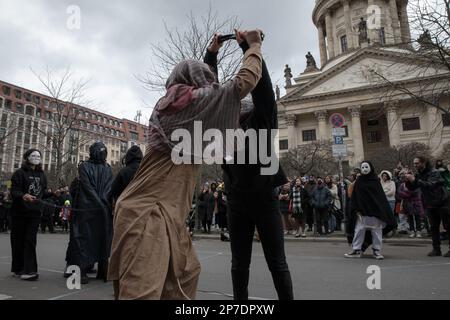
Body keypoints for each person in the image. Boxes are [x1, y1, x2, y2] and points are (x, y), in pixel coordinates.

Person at [108, 29, 266, 300]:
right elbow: (243, 84)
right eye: (204, 79)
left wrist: (211, 54)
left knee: (184, 279)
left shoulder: (177, 106)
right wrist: (254, 46)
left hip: (167, 216)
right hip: (148, 217)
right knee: (142, 293)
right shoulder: (185, 105)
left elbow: (228, 105)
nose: (209, 84)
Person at [69, 142, 113, 283]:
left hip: (98, 208)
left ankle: (103, 270)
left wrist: (102, 202)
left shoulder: (107, 168)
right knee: (84, 239)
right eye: (100, 151)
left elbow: (108, 186)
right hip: (88, 209)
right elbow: (88, 187)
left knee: (102, 238)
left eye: (104, 151)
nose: (102, 154)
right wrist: (101, 202)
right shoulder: (85, 166)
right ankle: (80, 271)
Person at [10, 149, 50, 281]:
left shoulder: (42, 174)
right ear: (27, 157)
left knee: (30, 240)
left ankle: (29, 270)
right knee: (18, 241)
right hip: (19, 213)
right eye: (33, 155)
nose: (36, 157)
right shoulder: (19, 173)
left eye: (38, 156)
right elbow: (14, 191)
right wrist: (23, 195)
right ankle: (18, 268)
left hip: (34, 213)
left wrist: (54, 194)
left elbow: (42, 193)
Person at [345, 161, 397, 260]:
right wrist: (356, 209)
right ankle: (356, 249)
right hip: (362, 212)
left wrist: (380, 210)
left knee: (376, 232)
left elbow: (379, 197)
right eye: (362, 167)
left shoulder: (375, 181)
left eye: (366, 166)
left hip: (375, 212)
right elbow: (355, 195)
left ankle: (376, 250)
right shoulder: (359, 180)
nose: (364, 169)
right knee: (359, 230)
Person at [405, 157, 450, 257]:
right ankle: (436, 249)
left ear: (423, 163)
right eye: (414, 163)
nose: (415, 165)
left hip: (443, 202)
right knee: (433, 227)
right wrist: (408, 180)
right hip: (430, 204)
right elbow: (412, 188)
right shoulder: (419, 174)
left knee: (448, 226)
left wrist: (415, 180)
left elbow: (431, 185)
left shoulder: (434, 172)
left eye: (417, 163)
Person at [397, 170, 425, 238]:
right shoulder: (402, 185)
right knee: (410, 218)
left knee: (417, 218)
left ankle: (419, 231)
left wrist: (407, 194)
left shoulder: (416, 184)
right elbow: (400, 192)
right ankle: (412, 231)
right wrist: (408, 194)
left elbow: (415, 192)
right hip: (407, 204)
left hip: (416, 203)